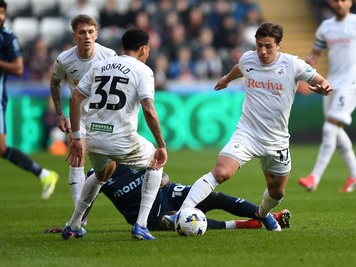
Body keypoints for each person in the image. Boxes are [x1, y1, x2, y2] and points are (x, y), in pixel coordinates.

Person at [162, 22, 333, 231]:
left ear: (279, 45)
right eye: (259, 45)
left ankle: (262, 215)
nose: (262, 51)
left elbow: (320, 79)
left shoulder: (292, 64)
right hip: (247, 133)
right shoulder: (248, 59)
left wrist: (324, 86)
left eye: (268, 46)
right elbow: (240, 68)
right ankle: (182, 212)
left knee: (277, 191)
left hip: (276, 140)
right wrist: (226, 79)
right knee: (221, 172)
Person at [63, 29, 167, 241]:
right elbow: (149, 109)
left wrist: (76, 137)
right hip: (121, 139)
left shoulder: (99, 65)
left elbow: (75, 99)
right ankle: (141, 225)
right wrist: (161, 144)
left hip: (93, 137)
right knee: (156, 161)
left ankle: (73, 225)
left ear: (123, 46)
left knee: (102, 174)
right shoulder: (142, 70)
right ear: (144, 49)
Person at [45, 166, 291, 233]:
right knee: (184, 223)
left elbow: (163, 176)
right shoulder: (96, 175)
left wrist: (162, 179)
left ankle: (264, 215)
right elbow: (86, 202)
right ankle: (243, 224)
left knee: (212, 196)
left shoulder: (134, 153)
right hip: (150, 217)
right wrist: (74, 225)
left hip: (168, 193)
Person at [298, 0, 356, 192]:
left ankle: (314, 177)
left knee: (330, 128)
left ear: (350, 2)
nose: (339, 3)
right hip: (332, 82)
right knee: (335, 129)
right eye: (335, 0)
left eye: (343, 0)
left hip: (353, 82)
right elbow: (314, 56)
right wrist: (308, 67)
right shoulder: (325, 27)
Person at [50, 14, 117, 212]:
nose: (86, 36)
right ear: (74, 36)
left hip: (105, 119)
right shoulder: (64, 60)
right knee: (76, 159)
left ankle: (83, 209)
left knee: (107, 170)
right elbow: (54, 82)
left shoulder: (109, 56)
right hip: (80, 117)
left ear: (96, 34)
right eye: (82, 32)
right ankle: (79, 219)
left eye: (90, 32)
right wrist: (60, 114)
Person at [0, 0, 58, 200]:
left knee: (1, 148)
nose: (0, 16)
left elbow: (18, 68)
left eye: (2, 12)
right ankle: (43, 174)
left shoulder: (7, 38)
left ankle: (44, 174)